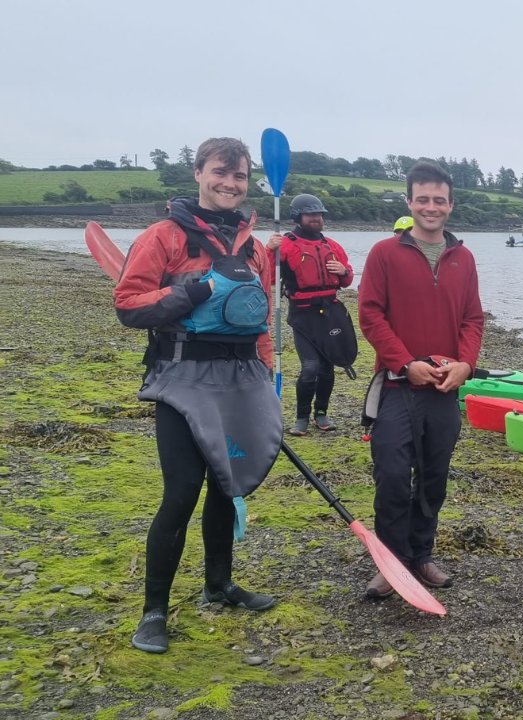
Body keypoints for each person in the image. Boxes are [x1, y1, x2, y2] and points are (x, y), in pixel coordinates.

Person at [114, 137, 281, 653]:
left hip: (240, 380)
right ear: (198, 173)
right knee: (181, 491)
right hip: (181, 378)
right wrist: (193, 291)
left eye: (239, 176)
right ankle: (154, 612)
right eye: (220, 172)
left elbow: (261, 318)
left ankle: (218, 584)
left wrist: (267, 376)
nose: (229, 184)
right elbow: (128, 305)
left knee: (227, 485)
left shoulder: (256, 248)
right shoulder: (163, 236)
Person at [358, 161, 484, 598]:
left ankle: (421, 554)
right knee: (392, 474)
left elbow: (472, 318)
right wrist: (403, 361)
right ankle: (391, 564)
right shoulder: (384, 254)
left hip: (443, 391)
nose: (432, 207)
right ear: (410, 202)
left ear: (450, 204)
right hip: (395, 386)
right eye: (423, 199)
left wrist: (465, 365)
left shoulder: (463, 258)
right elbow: (370, 314)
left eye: (440, 200)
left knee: (434, 475)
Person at [265, 194, 355, 436]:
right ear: (298, 217)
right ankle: (302, 417)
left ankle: (321, 413)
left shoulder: (332, 246)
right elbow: (267, 276)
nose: (316, 218)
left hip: (331, 311)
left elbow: (346, 281)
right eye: (311, 214)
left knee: (327, 368)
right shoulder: (285, 245)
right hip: (303, 315)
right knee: (310, 367)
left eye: (319, 214)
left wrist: (344, 271)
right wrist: (268, 249)